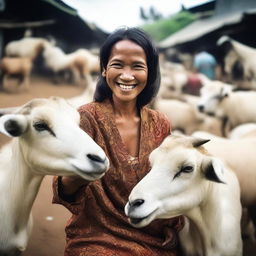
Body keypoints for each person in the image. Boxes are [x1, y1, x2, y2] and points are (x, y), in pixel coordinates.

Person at [52, 27, 184, 256]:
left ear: (150, 72)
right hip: (96, 238)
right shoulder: (86, 117)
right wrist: (77, 176)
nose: (126, 75)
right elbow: (64, 190)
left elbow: (170, 184)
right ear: (104, 69)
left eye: (137, 66)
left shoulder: (161, 123)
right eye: (117, 64)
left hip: (153, 239)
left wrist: (172, 225)